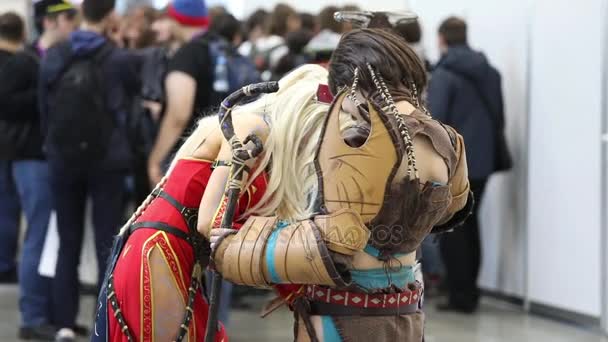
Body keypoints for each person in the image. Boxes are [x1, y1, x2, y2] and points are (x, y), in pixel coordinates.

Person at [210, 27, 472, 341]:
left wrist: (232, 248)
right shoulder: (448, 140)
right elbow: (450, 212)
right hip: (404, 315)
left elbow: (335, 241)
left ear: (350, 87)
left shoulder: (363, 141)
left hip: (347, 319)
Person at [92, 64, 330, 342]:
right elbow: (212, 220)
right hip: (160, 252)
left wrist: (307, 292)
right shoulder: (249, 128)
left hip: (173, 257)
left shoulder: (266, 145)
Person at [38, 0, 142, 340]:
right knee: (106, 243)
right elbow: (130, 109)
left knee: (67, 242)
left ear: (82, 13)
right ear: (111, 15)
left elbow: (45, 109)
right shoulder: (120, 59)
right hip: (107, 161)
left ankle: (63, 323)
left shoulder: (55, 53)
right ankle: (105, 321)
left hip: (62, 158)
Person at [428, 16, 507, 314]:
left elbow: (435, 123)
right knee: (471, 226)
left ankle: (459, 296)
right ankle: (470, 292)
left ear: (442, 39)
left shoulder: (444, 75)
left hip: (456, 163)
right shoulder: (491, 73)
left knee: (452, 228)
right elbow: (500, 116)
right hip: (485, 161)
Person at [0, 11, 56, 341]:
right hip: (27, 154)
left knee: (19, 220)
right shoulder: (25, 63)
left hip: (17, 153)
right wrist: (43, 96)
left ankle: (34, 307)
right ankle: (33, 313)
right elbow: (7, 103)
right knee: (35, 232)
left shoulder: (26, 61)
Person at [147, 0, 212, 187]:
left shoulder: (187, 55)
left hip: (191, 156)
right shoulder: (219, 47)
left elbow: (178, 115)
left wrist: (155, 160)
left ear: (177, 19)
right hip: (222, 153)